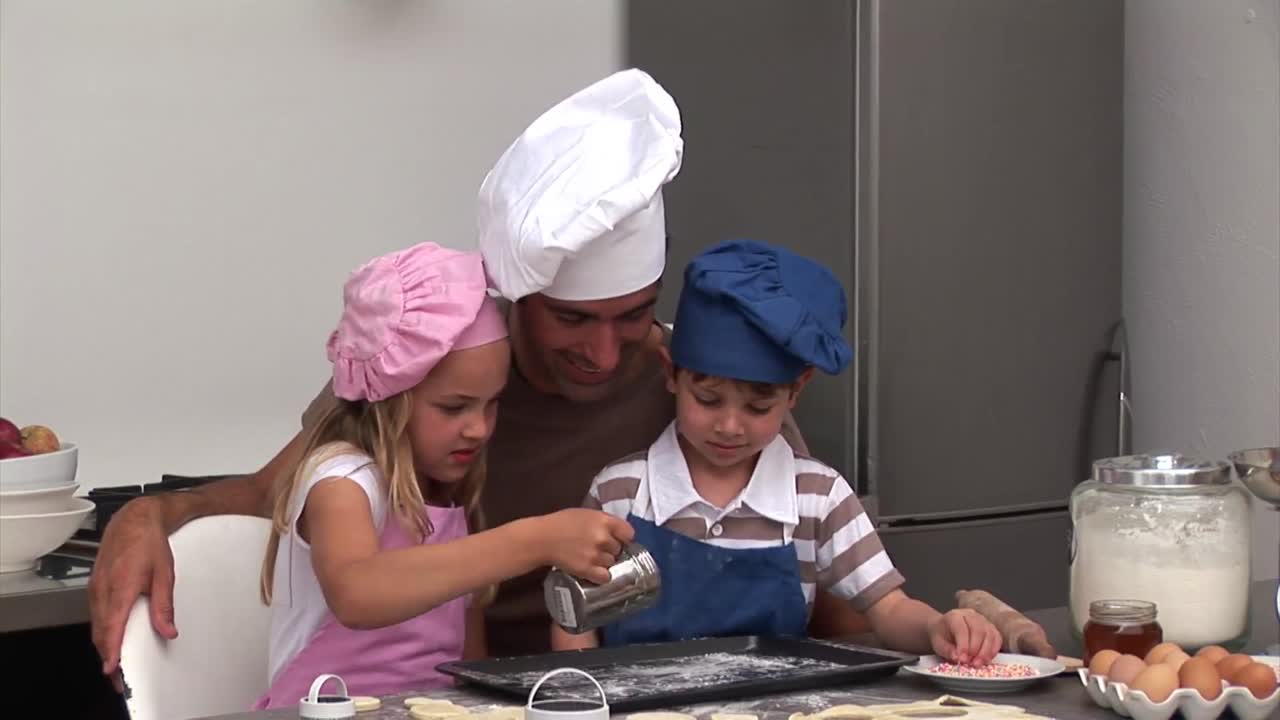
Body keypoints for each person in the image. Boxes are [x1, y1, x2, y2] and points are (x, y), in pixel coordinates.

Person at [87, 69, 869, 682]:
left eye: (632, 315)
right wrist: (147, 516)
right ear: (515, 298)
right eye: (571, 320)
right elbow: (265, 500)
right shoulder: (425, 374)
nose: (605, 353)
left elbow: (827, 586)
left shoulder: (702, 385)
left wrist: (946, 640)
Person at [550, 240, 1003, 666]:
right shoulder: (621, 492)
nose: (730, 425)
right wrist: (580, 697)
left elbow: (888, 607)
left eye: (758, 406)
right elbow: (574, 618)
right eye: (707, 400)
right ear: (671, 374)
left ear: (796, 391)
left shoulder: (818, 498)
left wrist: (935, 627)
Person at [253, 242, 633, 708]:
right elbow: (356, 592)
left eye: (493, 403)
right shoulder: (342, 480)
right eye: (454, 407)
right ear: (389, 398)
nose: (479, 428)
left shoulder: (453, 496)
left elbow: (464, 664)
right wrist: (535, 540)